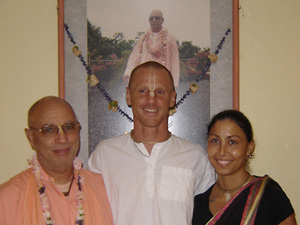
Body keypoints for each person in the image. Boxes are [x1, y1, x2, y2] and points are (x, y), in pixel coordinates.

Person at [89, 61, 215, 225]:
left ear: (172, 98)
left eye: (160, 92)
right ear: (128, 95)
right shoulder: (104, 154)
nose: (151, 99)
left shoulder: (195, 156)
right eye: (142, 91)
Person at [0, 96, 113, 225]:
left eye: (69, 127)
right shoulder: (7, 200)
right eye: (49, 130)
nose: (62, 139)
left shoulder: (106, 190)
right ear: (30, 137)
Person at [192, 110, 297, 225]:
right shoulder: (198, 204)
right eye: (215, 141)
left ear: (249, 147)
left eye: (232, 142)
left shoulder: (268, 195)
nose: (222, 151)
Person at [123, 10, 180, 86]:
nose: (154, 20)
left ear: (162, 20)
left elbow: (174, 60)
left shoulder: (170, 38)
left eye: (157, 18)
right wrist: (128, 72)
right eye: (151, 18)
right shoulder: (143, 38)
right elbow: (134, 57)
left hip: (163, 78)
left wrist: (174, 82)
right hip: (145, 77)